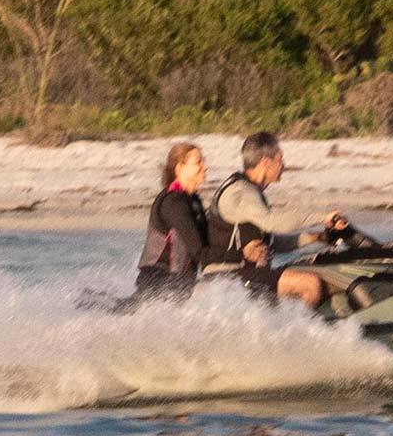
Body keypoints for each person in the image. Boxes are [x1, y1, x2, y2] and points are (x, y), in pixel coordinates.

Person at [210, 130, 351, 311]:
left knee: (311, 270)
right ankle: (297, 335)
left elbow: (273, 243)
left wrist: (317, 238)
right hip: (226, 278)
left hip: (247, 274)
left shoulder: (252, 192)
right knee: (310, 284)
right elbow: (272, 222)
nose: (283, 165)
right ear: (266, 163)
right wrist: (322, 217)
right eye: (280, 160)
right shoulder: (240, 192)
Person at [132, 141, 220, 299]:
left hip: (177, 282)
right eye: (198, 162)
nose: (205, 166)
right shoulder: (173, 202)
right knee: (217, 291)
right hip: (158, 283)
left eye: (203, 161)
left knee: (223, 288)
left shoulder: (192, 199)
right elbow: (200, 251)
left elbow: (210, 242)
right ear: (180, 168)